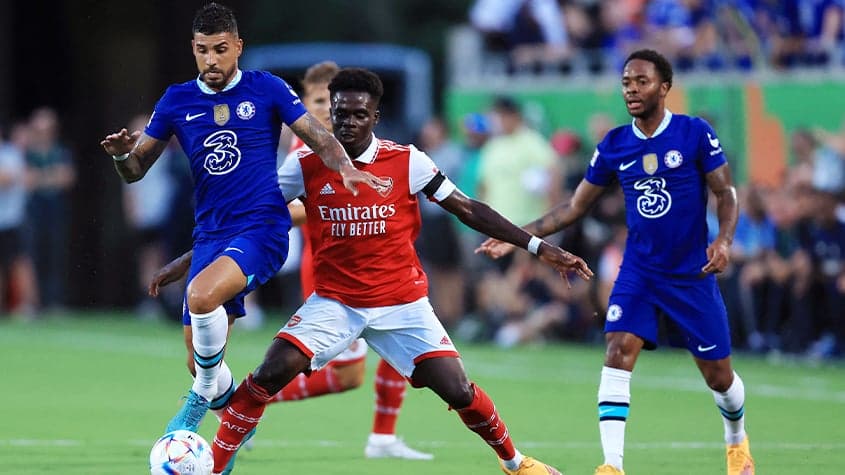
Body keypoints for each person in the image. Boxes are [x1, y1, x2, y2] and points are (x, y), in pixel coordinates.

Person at [208, 67, 592, 475]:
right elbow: (256, 217)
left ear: (375, 116)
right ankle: (213, 466)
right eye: (341, 113)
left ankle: (516, 464)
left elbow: (468, 208)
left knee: (458, 390)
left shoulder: (407, 161)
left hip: (402, 303)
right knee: (268, 373)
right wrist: (197, 260)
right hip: (336, 302)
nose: (349, 122)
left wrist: (537, 246)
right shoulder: (304, 163)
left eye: (359, 114)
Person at [99, 3, 385, 473]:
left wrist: (348, 169)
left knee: (200, 294)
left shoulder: (267, 88)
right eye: (202, 51)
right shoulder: (175, 101)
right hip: (211, 234)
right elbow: (135, 172)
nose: (211, 60)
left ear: (237, 48)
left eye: (220, 50)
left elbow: (319, 137)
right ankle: (232, 419)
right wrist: (120, 156)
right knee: (201, 364)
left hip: (263, 228)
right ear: (193, 50)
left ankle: (193, 412)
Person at [477, 49, 754, 475]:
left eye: (641, 81)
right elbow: (573, 207)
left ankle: (737, 442)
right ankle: (613, 465)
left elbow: (726, 193)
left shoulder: (694, 133)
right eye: (626, 82)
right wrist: (518, 236)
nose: (631, 90)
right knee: (618, 350)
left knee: (719, 378)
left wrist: (724, 239)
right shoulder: (614, 145)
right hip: (640, 271)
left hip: (691, 274)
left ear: (664, 87)